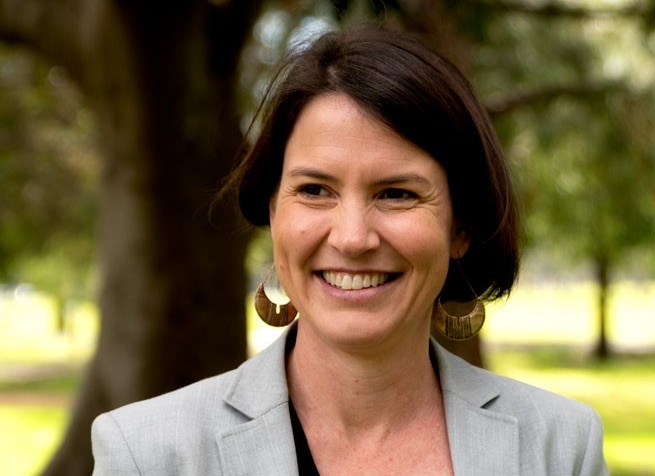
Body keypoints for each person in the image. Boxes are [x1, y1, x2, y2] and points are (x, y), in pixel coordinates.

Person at [91, 24, 608, 475]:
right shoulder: (148, 453)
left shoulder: (559, 446)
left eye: (397, 194)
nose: (353, 238)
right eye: (315, 190)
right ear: (274, 214)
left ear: (461, 227)